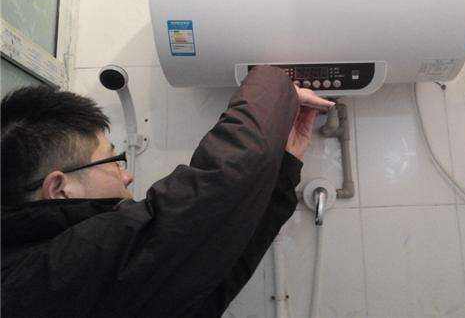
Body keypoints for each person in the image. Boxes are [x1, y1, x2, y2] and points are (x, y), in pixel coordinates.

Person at [1, 65, 334, 317]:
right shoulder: (46, 276)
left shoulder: (40, 271)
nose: (127, 175)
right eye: (114, 161)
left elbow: (204, 287)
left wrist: (285, 165)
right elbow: (220, 185)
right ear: (60, 188)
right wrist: (273, 79)